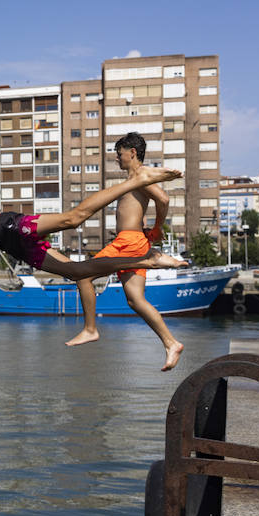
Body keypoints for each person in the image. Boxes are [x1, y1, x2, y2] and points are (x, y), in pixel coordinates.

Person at [0, 55, 187, 285]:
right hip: (7, 241)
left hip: (6, 227)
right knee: (76, 272)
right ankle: (147, 260)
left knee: (72, 219)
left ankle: (134, 181)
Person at [65, 132, 185, 371]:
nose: (117, 159)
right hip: (132, 240)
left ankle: (90, 329)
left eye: (119, 155)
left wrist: (159, 227)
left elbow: (163, 199)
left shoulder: (140, 175)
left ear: (132, 153)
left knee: (83, 274)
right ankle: (171, 343)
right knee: (135, 300)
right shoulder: (136, 177)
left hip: (129, 242)